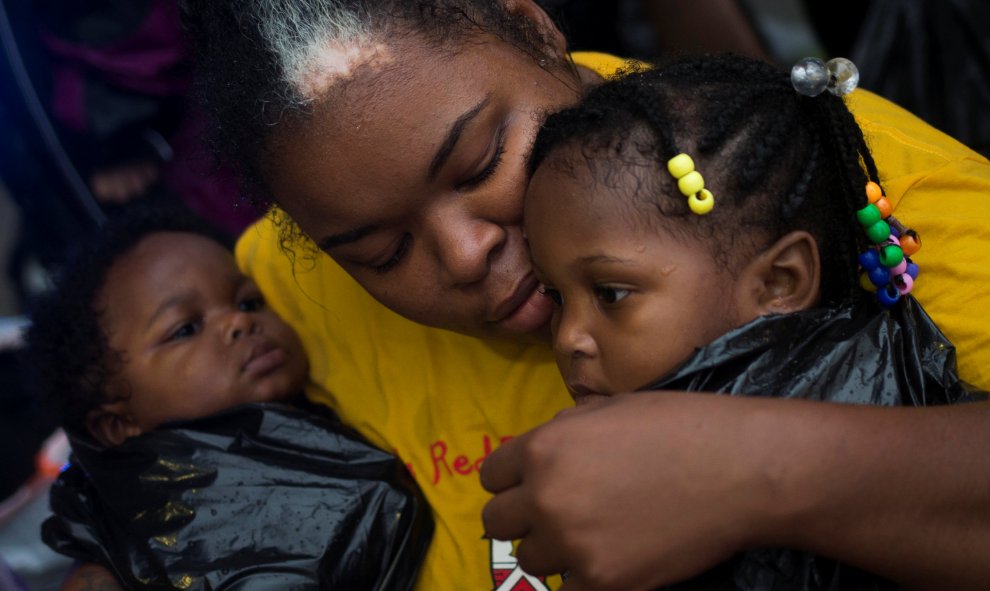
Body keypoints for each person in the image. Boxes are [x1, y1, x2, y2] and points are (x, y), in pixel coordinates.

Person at [175, 1, 990, 590]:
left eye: (483, 161)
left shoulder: (827, 176)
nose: (464, 254)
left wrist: (751, 470)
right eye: (384, 253)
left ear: (533, 25)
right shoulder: (284, 287)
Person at [509, 54, 976, 588]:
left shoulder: (893, 420)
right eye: (555, 296)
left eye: (611, 293)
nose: (568, 338)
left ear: (780, 283)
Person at [24, 207, 431, 590]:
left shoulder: (338, 417)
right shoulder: (125, 545)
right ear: (117, 423)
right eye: (185, 329)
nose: (240, 322)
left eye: (249, 302)